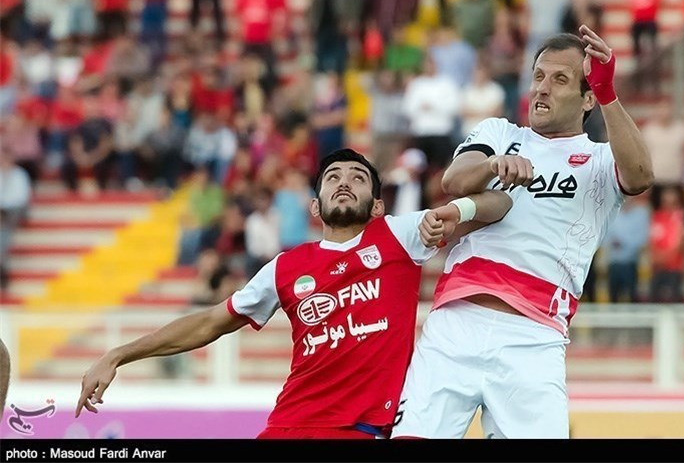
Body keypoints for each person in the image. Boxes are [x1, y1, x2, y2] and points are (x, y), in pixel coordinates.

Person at [75, 149, 512, 439]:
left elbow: (501, 206)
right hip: (289, 426)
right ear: (315, 205)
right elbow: (210, 322)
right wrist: (117, 355)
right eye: (333, 177)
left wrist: (456, 211)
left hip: (361, 429)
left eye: (358, 178)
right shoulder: (284, 268)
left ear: (377, 205)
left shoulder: (399, 235)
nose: (344, 182)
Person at [391, 25, 654, 439]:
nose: (542, 89)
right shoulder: (500, 134)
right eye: (538, 76)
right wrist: (492, 166)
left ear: (587, 97)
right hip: (455, 326)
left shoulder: (603, 160)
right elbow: (454, 181)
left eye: (560, 79)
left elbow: (640, 176)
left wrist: (609, 93)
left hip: (534, 339)